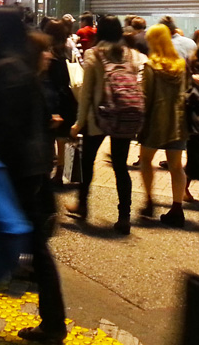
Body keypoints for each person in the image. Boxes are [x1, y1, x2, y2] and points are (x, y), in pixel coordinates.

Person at [0, 12, 67, 344]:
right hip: (30, 166)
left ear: (0, 31)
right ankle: (53, 321)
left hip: (16, 169)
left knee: (31, 246)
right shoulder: (21, 65)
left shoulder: (7, 69)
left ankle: (53, 323)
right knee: (34, 246)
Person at [70, 15, 146, 234]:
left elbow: (86, 93)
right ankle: (124, 216)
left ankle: (83, 205)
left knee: (88, 161)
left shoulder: (94, 54)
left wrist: (79, 122)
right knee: (121, 167)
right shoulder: (133, 55)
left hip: (98, 117)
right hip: (125, 115)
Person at [138, 25, 188, 227]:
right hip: (177, 121)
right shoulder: (181, 65)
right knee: (176, 167)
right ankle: (177, 208)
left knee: (145, 161)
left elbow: (145, 97)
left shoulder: (151, 66)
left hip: (154, 122)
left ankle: (149, 200)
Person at [44, 19, 79, 187]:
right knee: (63, 137)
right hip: (67, 97)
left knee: (51, 135)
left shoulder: (48, 52)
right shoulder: (68, 48)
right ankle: (62, 170)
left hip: (52, 98)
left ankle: (51, 168)